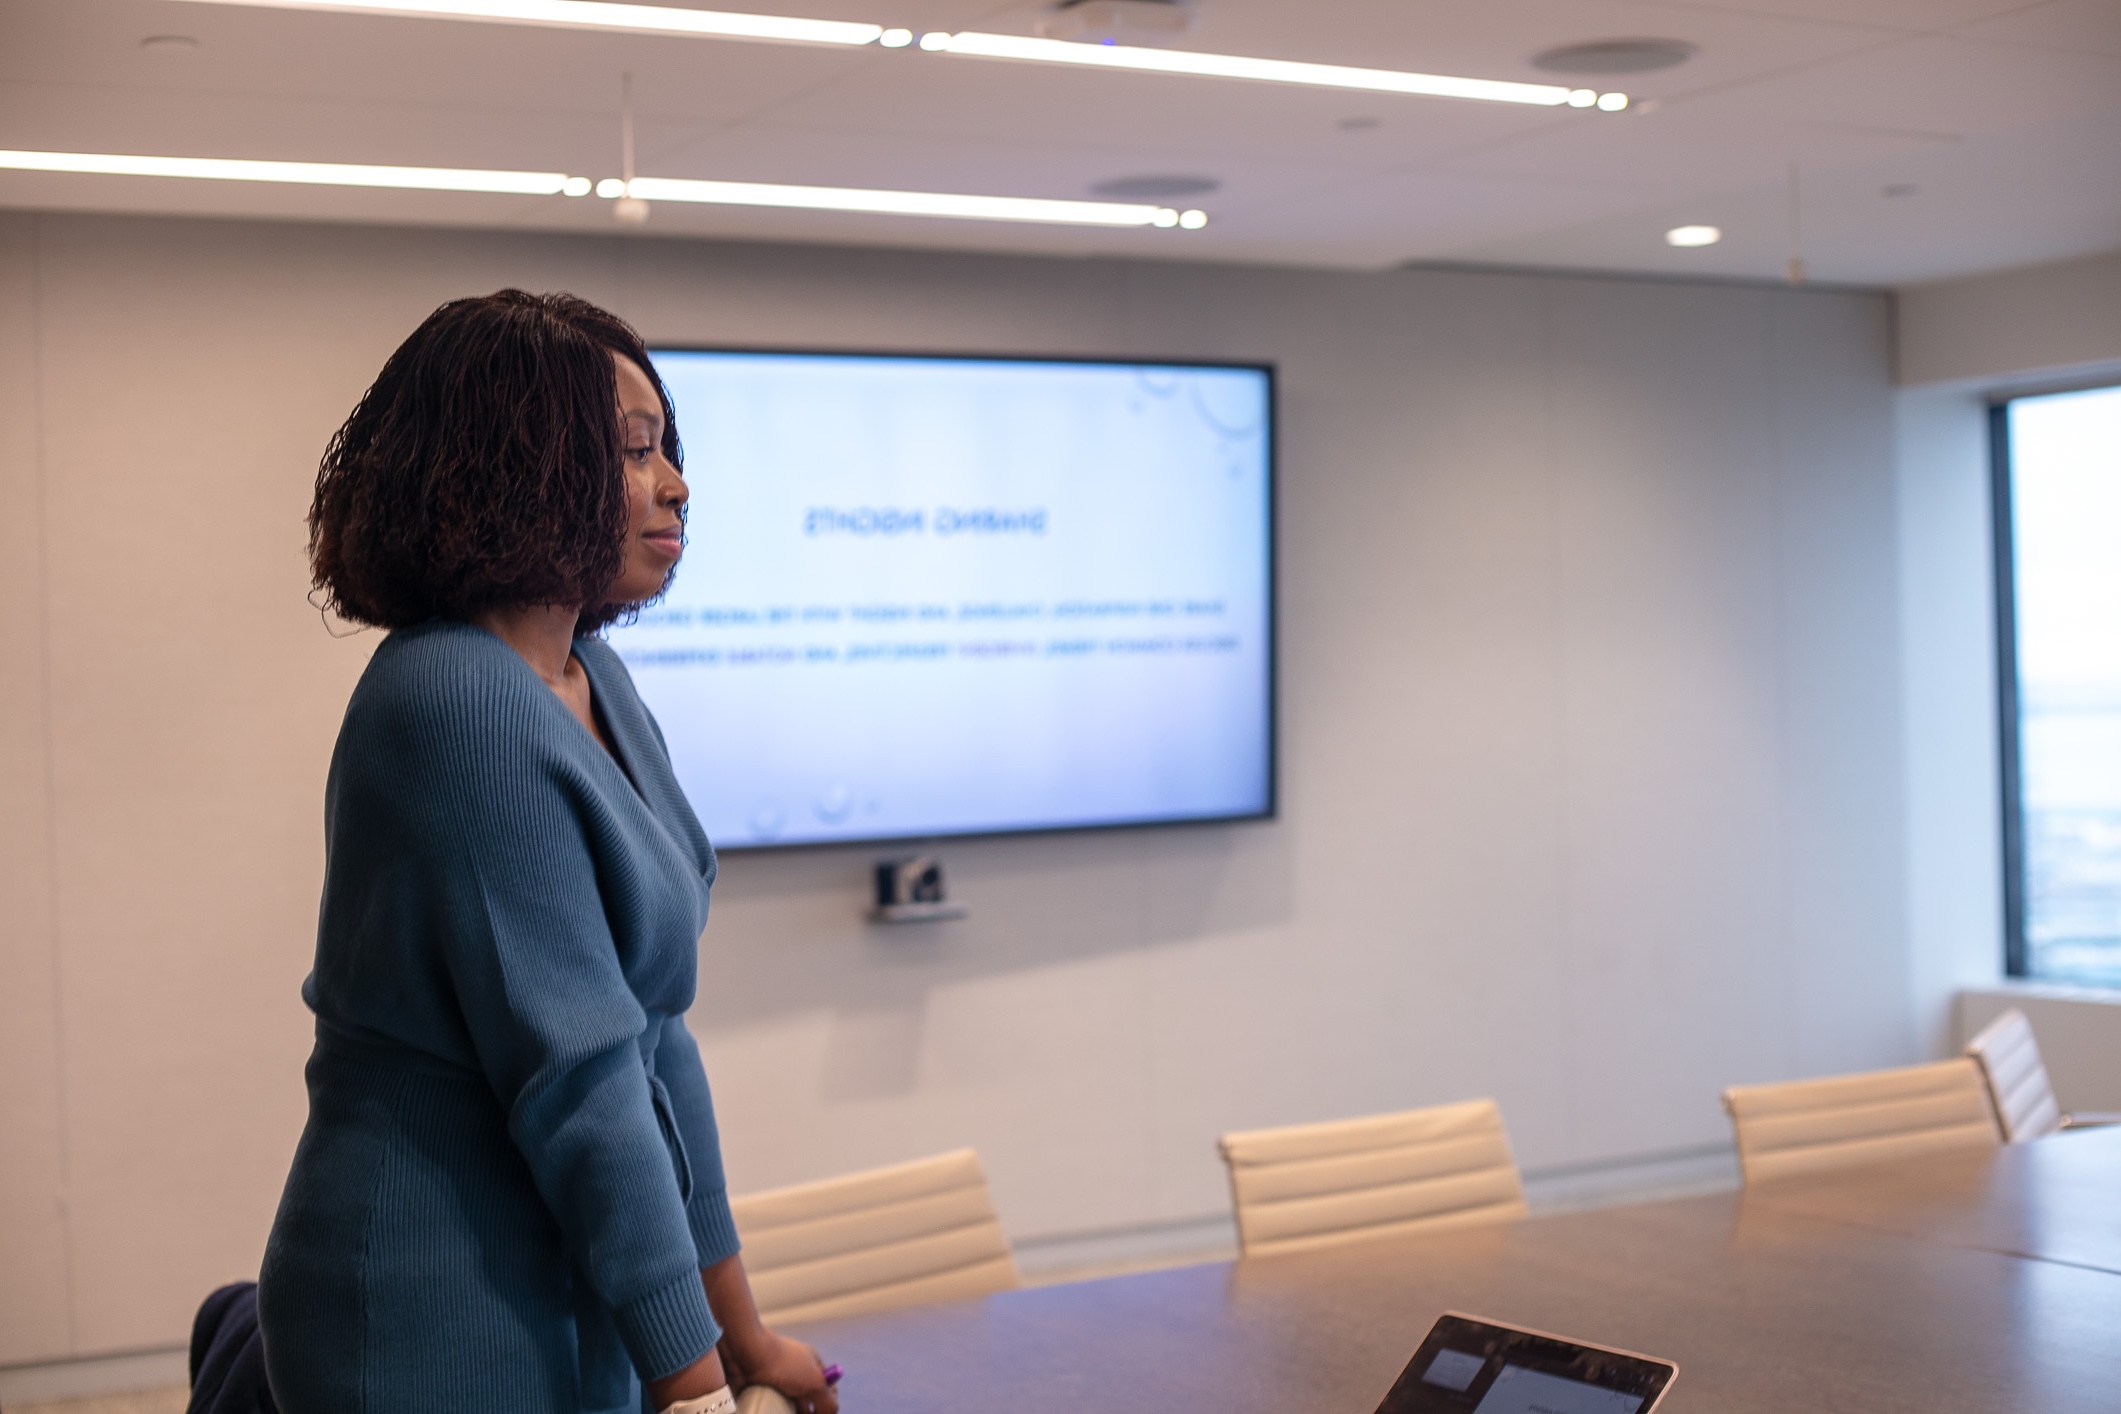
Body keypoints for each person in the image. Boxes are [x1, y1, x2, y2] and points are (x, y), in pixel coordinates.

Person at [257, 290, 837, 1414]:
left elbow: (651, 1041)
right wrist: (696, 1384)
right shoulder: (453, 702)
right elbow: (579, 1083)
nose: (675, 483)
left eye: (667, 444)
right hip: (436, 1314)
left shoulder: (591, 681)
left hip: (572, 1287)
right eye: (632, 451)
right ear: (513, 471)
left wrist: (740, 1335)